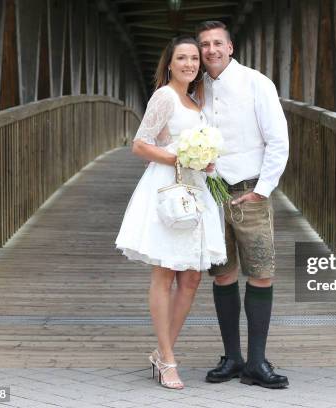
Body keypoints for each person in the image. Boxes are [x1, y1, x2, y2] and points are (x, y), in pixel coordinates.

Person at [115, 36, 226, 389]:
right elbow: (139, 144)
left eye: (195, 59)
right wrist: (181, 157)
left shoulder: (194, 100)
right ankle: (168, 360)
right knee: (165, 274)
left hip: (195, 188)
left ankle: (163, 354)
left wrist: (203, 160)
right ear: (169, 63)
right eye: (182, 58)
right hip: (168, 188)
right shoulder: (164, 96)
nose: (190, 64)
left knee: (191, 277)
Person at [196, 21, 290, 389]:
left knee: (261, 271)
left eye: (218, 43)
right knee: (222, 273)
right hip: (211, 192)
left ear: (231, 47)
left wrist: (263, 189)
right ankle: (232, 357)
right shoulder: (195, 88)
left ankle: (256, 361)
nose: (211, 50)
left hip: (250, 189)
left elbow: (278, 140)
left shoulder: (257, 83)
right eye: (204, 44)